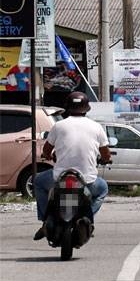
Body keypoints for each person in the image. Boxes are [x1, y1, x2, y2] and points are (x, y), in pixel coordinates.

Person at [33, 91, 112, 241]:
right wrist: (106, 159)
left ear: (68, 108)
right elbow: (106, 154)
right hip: (87, 179)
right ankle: (88, 219)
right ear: (87, 108)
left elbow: (46, 150)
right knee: (102, 189)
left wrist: (48, 156)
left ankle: (44, 220)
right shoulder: (96, 127)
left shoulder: (59, 126)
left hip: (59, 178)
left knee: (38, 182)